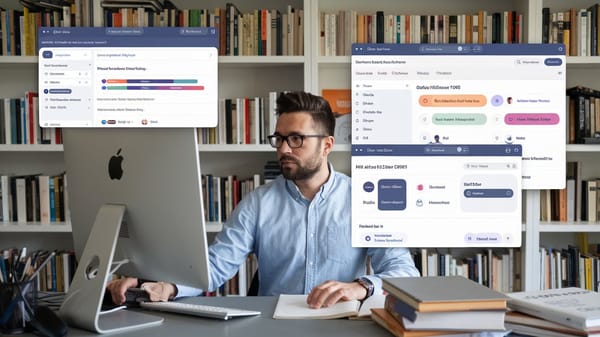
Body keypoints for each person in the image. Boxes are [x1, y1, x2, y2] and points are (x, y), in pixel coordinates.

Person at [107, 91, 419, 309]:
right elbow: (215, 266)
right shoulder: (258, 204)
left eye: (296, 139)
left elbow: (402, 270)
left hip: (341, 322)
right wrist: (166, 286)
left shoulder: (364, 200)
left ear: (326, 145)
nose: (283, 149)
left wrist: (360, 287)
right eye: (279, 139)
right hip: (273, 325)